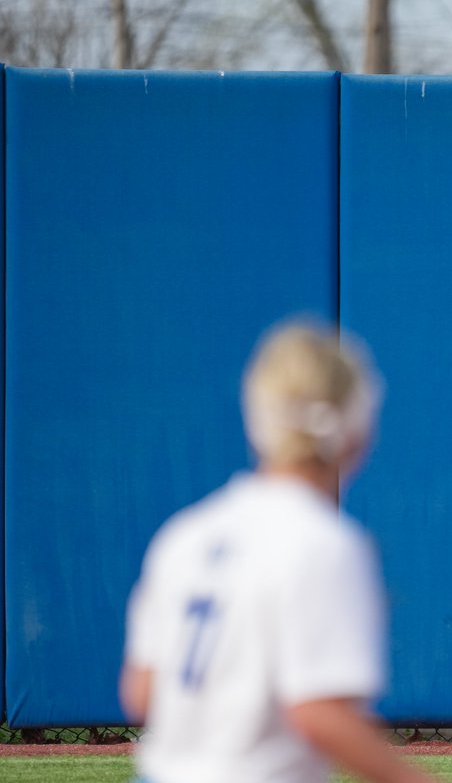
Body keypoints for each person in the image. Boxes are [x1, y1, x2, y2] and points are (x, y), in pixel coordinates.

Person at [119, 319, 434, 783]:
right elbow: (318, 711)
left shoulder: (185, 534)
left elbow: (141, 691)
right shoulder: (327, 544)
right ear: (356, 427)